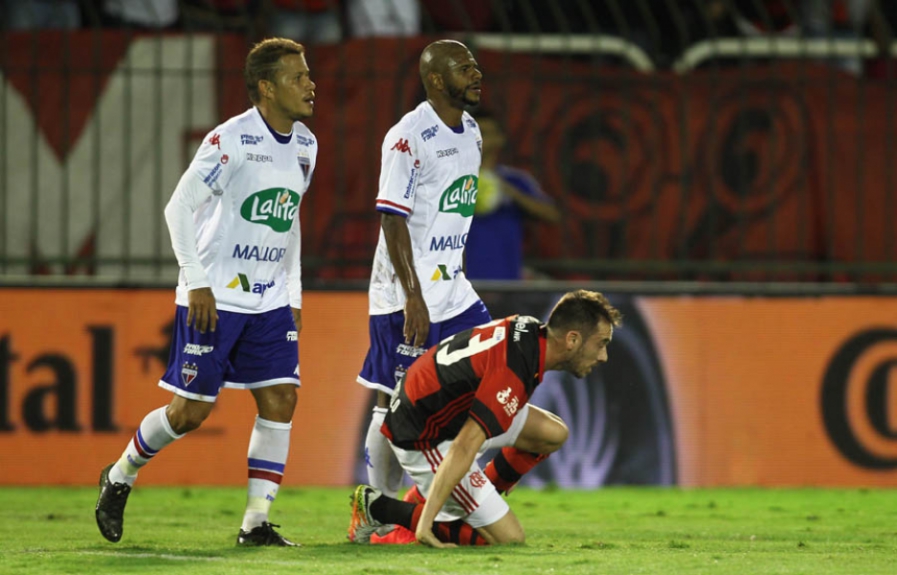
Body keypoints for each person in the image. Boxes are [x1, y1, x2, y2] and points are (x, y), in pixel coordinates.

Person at [94, 37, 318, 547]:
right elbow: (178, 208)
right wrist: (195, 281)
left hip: (269, 300)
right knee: (189, 413)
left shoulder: (306, 145)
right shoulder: (230, 140)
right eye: (298, 77)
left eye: (308, 75)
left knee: (282, 398)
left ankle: (255, 524)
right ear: (266, 87)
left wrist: (294, 292)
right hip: (214, 295)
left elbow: (289, 223)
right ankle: (120, 474)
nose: (311, 85)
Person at [348, 289, 622, 547]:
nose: (604, 356)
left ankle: (465, 498)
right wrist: (426, 524)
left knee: (553, 433)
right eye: (601, 344)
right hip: (426, 434)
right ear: (572, 340)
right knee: (509, 539)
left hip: (451, 410)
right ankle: (378, 508)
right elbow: (464, 446)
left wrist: (509, 467)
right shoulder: (512, 373)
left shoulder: (529, 330)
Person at [356, 39, 491, 520]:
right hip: (404, 296)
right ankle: (374, 508)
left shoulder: (472, 131)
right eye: (464, 68)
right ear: (435, 80)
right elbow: (392, 220)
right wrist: (413, 296)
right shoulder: (407, 137)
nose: (476, 74)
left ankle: (444, 496)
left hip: (454, 289)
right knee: (394, 403)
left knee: (492, 373)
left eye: (475, 66)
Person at [465, 111, 561, 281]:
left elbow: (552, 214)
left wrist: (511, 193)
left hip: (506, 281)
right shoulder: (451, 179)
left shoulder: (516, 180)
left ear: (500, 139)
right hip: (462, 284)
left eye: (486, 133)